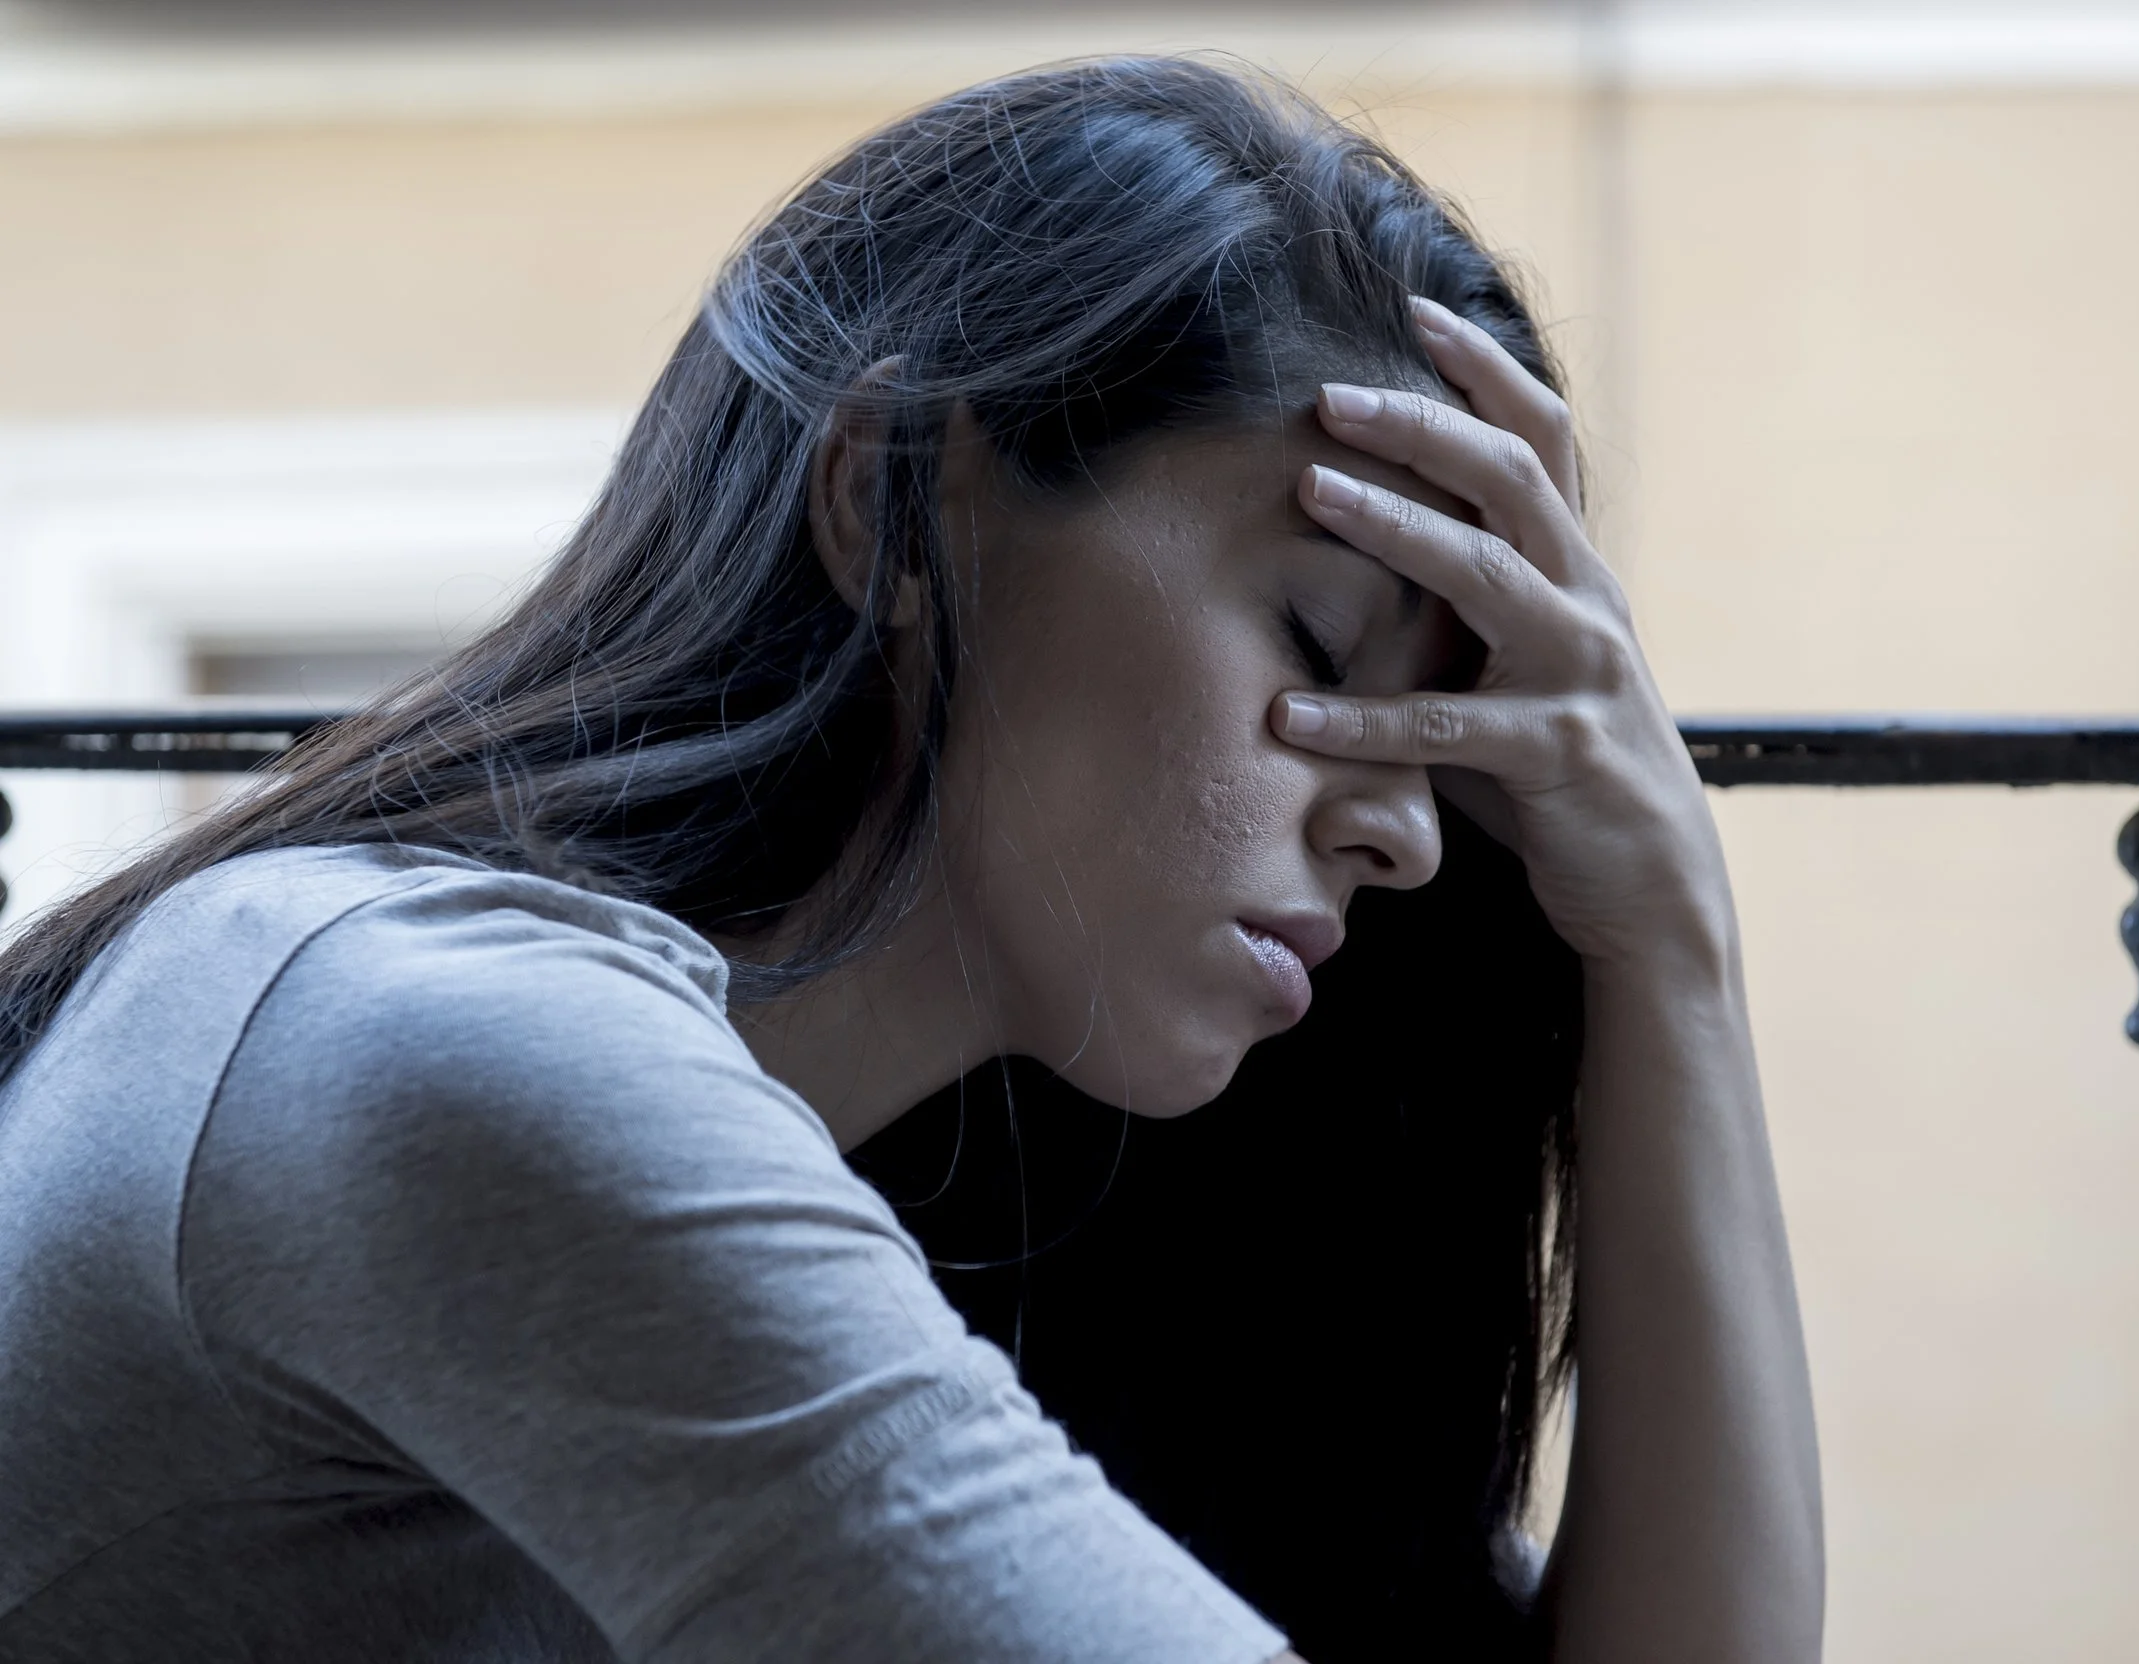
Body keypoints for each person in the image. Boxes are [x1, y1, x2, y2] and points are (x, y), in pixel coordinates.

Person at [0, 55, 1820, 1664]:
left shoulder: (962, 1201)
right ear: (894, 498)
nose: (1406, 828)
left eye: (1447, 752)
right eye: (1323, 654)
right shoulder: (435, 1044)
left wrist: (1669, 944)